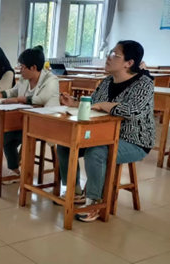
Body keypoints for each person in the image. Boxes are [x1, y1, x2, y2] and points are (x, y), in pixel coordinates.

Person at [58, 40, 155, 222]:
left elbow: (132, 111)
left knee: (96, 152)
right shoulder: (107, 81)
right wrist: (75, 103)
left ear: (129, 63)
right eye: (109, 53)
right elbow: (95, 104)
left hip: (134, 140)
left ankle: (94, 202)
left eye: (114, 55)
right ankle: (76, 191)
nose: (108, 57)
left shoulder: (144, 84)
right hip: (102, 134)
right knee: (65, 144)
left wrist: (105, 105)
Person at [0, 47, 60, 183]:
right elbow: (12, 92)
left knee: (8, 132)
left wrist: (17, 100)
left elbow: (40, 99)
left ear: (33, 67)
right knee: (8, 131)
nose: (19, 70)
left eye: (22, 67)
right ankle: (14, 171)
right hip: (25, 121)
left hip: (45, 124)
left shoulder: (51, 80)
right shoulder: (24, 79)